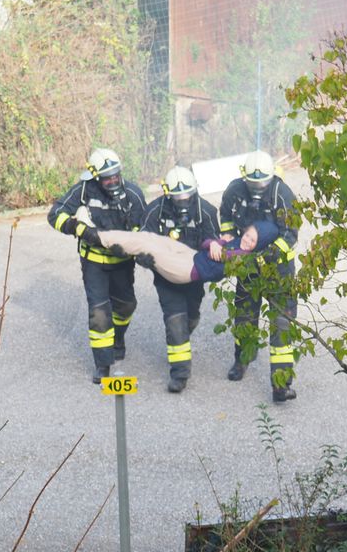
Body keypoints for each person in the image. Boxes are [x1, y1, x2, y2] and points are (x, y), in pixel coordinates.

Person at [47, 148, 147, 384]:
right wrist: (78, 228)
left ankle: (118, 338)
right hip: (93, 263)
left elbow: (144, 227)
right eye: (107, 178)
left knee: (126, 306)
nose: (113, 181)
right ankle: (103, 363)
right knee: (99, 312)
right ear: (95, 177)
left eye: (116, 175)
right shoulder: (84, 190)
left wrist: (130, 245)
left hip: (122, 263)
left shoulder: (133, 193)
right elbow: (56, 214)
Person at [218, 150, 300, 403]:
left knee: (281, 324)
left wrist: (270, 254)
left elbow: (291, 233)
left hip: (279, 271)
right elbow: (226, 216)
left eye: (261, 183)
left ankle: (281, 385)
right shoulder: (235, 191)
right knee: (245, 315)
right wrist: (228, 237)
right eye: (252, 183)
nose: (257, 188)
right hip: (248, 268)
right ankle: (242, 361)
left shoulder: (282, 194)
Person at [140, 166, 221, 393]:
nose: (183, 201)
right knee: (175, 319)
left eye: (187, 195)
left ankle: (181, 337)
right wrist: (144, 257)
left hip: (194, 276)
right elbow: (143, 239)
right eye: (178, 197)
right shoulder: (155, 211)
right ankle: (180, 374)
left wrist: (214, 250)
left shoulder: (205, 211)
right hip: (166, 277)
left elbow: (213, 238)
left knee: (190, 317)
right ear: (168, 194)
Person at [99, 221, 280, 287]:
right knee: (152, 238)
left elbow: (218, 254)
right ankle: (104, 235)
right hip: (191, 256)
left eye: (252, 241)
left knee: (148, 247)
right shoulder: (236, 242)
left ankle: (99, 238)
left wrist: (219, 242)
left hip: (186, 270)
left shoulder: (244, 256)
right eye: (247, 235)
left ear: (258, 245)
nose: (246, 240)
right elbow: (205, 244)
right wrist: (215, 243)